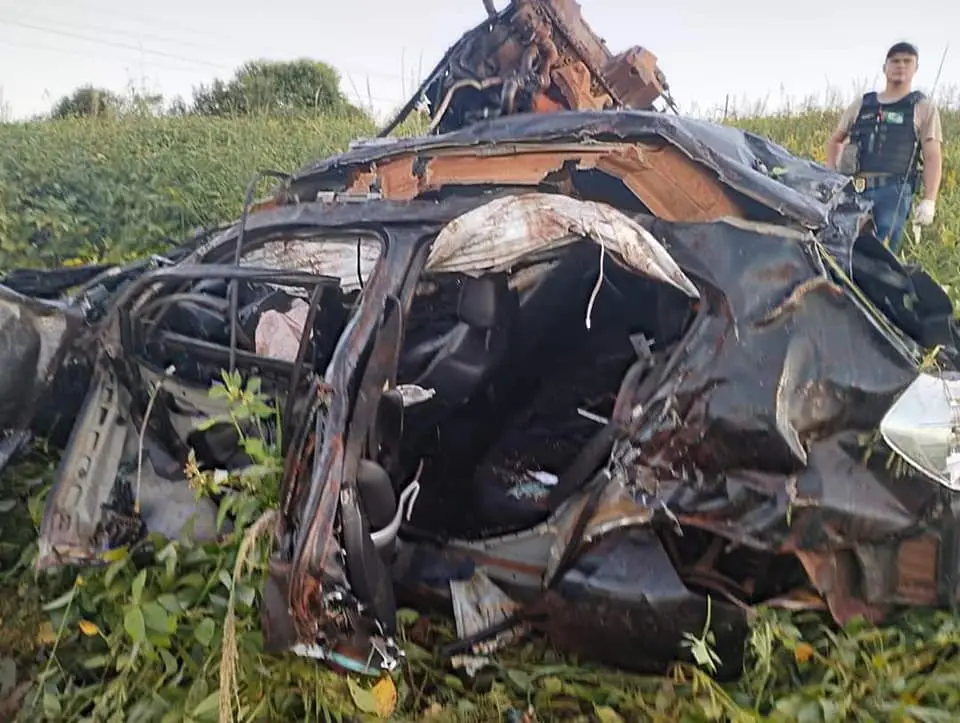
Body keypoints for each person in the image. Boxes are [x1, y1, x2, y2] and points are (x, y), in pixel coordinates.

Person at [826, 41, 943, 254]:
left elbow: (933, 156)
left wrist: (929, 200)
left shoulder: (922, 107)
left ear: (915, 68)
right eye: (895, 61)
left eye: (907, 61)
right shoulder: (863, 103)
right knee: (842, 249)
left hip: (893, 192)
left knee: (881, 255)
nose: (901, 66)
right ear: (885, 67)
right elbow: (835, 140)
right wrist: (832, 174)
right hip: (855, 189)